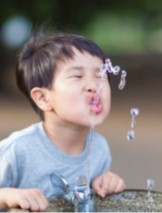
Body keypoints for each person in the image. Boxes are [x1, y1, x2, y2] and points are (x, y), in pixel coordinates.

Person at [0, 30, 126, 211]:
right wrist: (7, 196)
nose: (93, 86)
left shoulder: (99, 148)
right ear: (43, 98)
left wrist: (107, 182)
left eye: (100, 76)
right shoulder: (17, 151)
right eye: (77, 76)